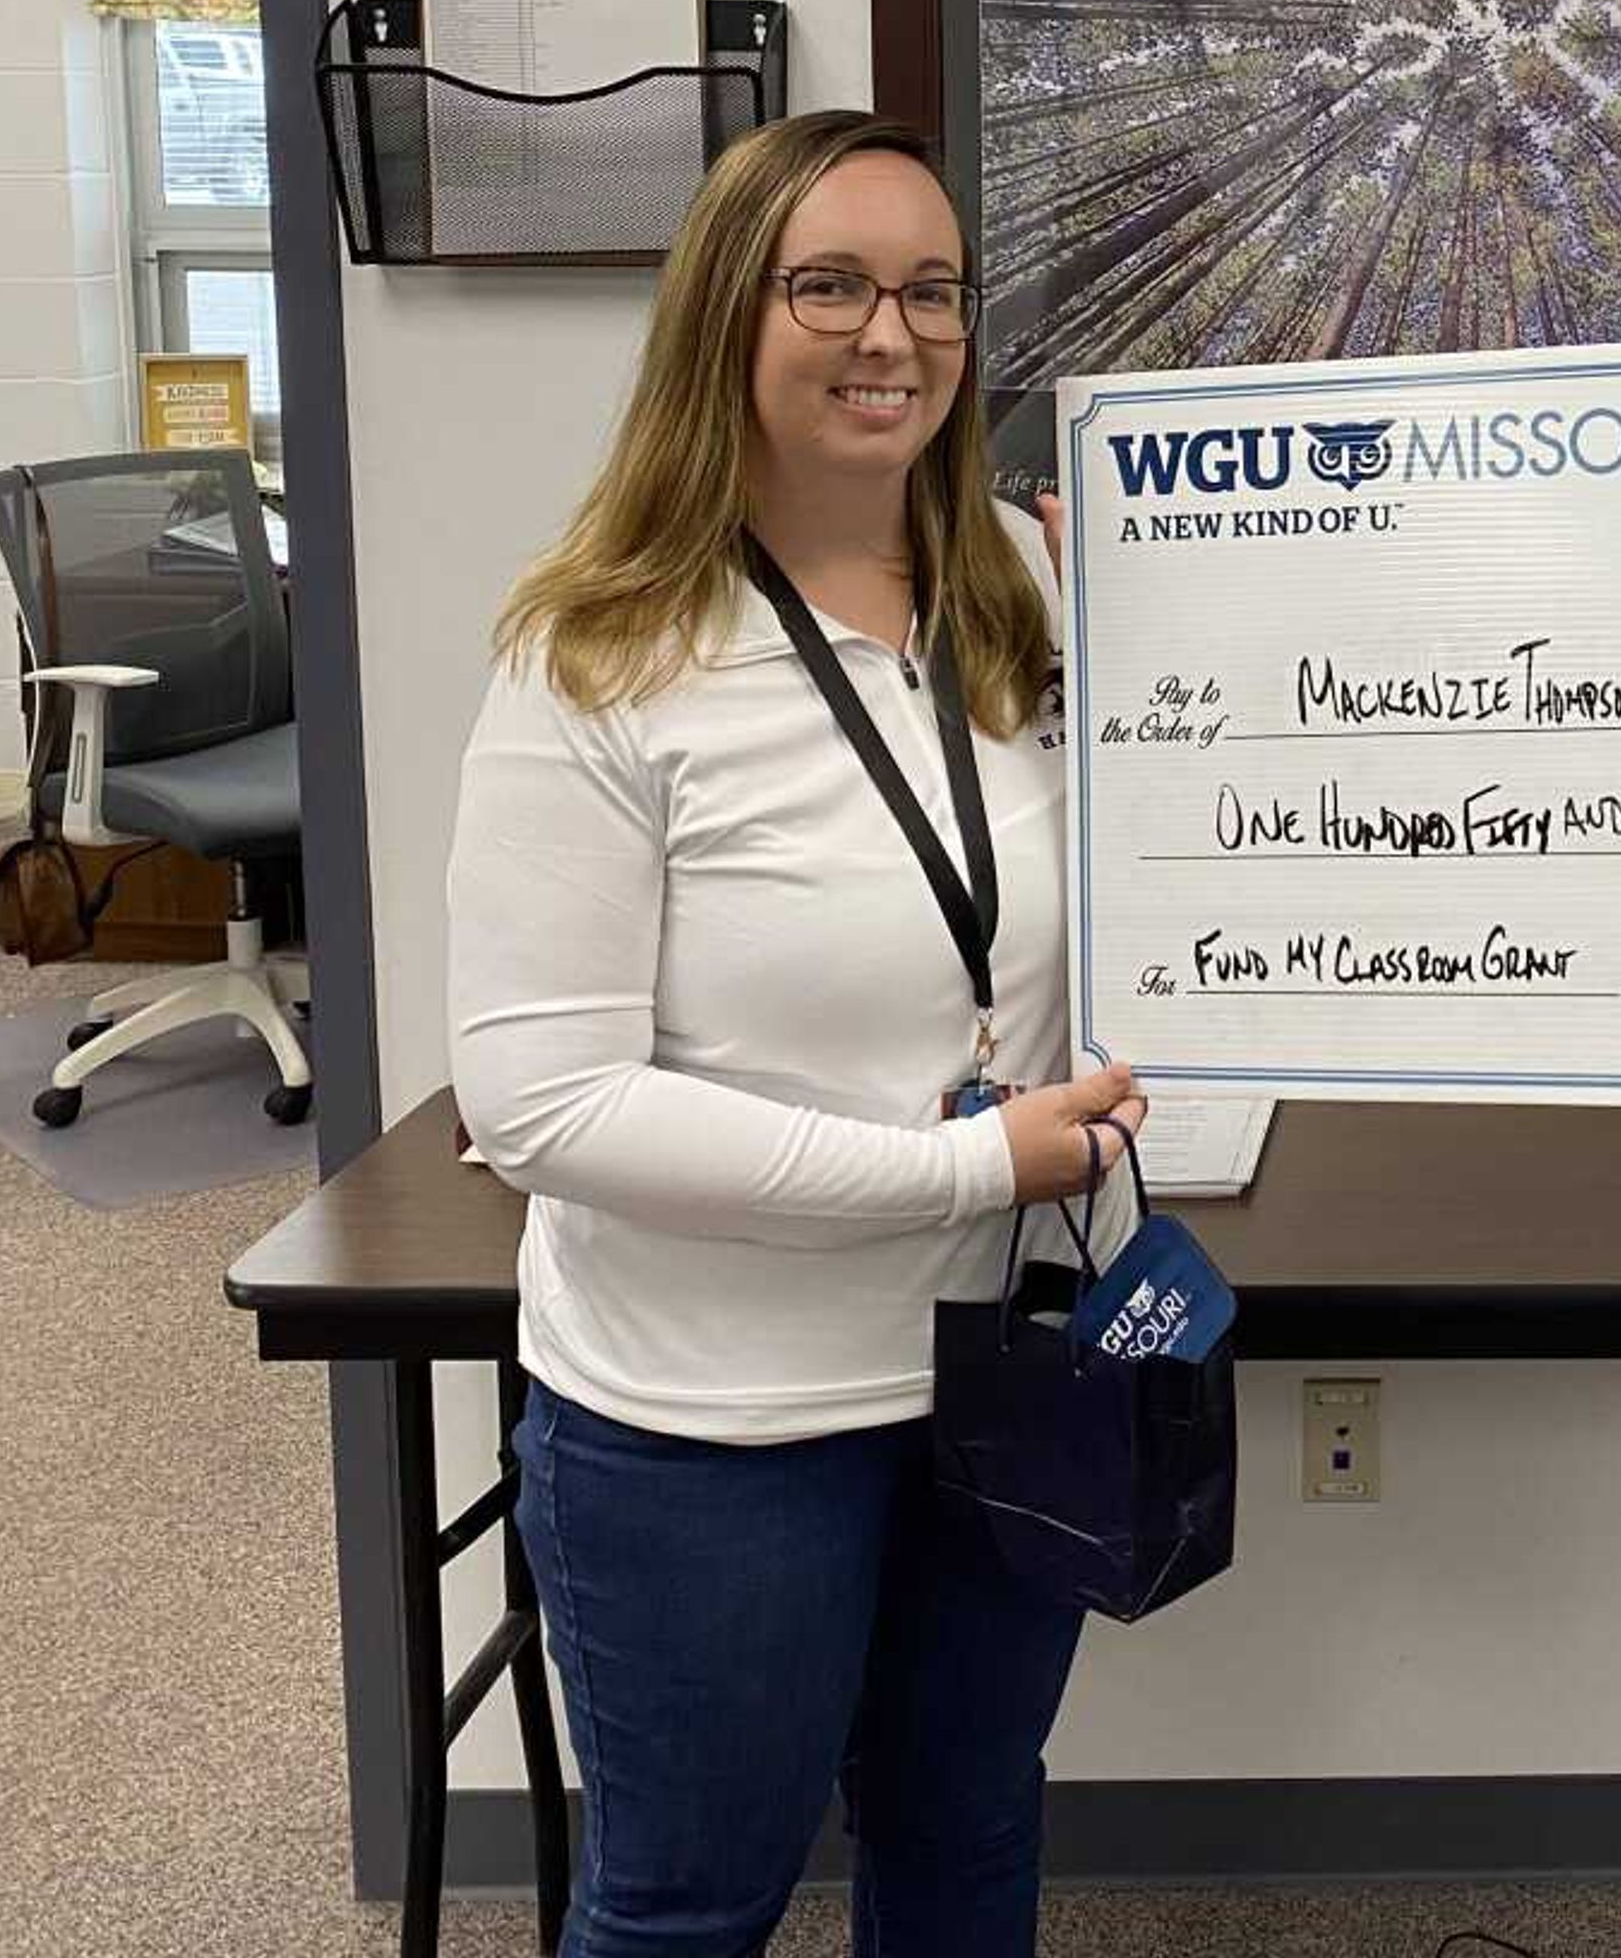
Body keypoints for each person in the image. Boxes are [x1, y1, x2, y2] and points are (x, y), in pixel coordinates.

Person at [448, 108, 1149, 1957]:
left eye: (933, 289)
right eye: (827, 283)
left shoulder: (1040, 592)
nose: (891, 334)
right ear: (722, 323)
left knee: (966, 1845)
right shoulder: (601, 650)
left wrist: (1178, 616)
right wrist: (961, 1164)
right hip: (718, 1417)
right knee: (689, 1908)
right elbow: (542, 1102)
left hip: (1002, 1365)